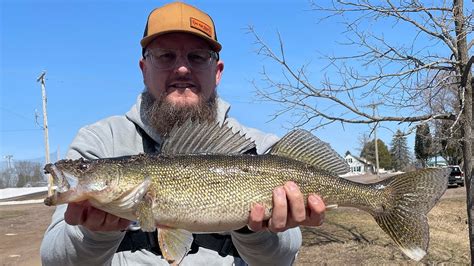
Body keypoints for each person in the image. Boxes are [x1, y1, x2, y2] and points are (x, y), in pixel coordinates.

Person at [40, 2, 326, 265]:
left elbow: (284, 259)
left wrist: (256, 231)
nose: (181, 67)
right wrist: (94, 235)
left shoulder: (259, 148)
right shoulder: (100, 142)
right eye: (165, 55)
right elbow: (53, 260)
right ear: (143, 68)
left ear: (217, 71)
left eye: (198, 56)